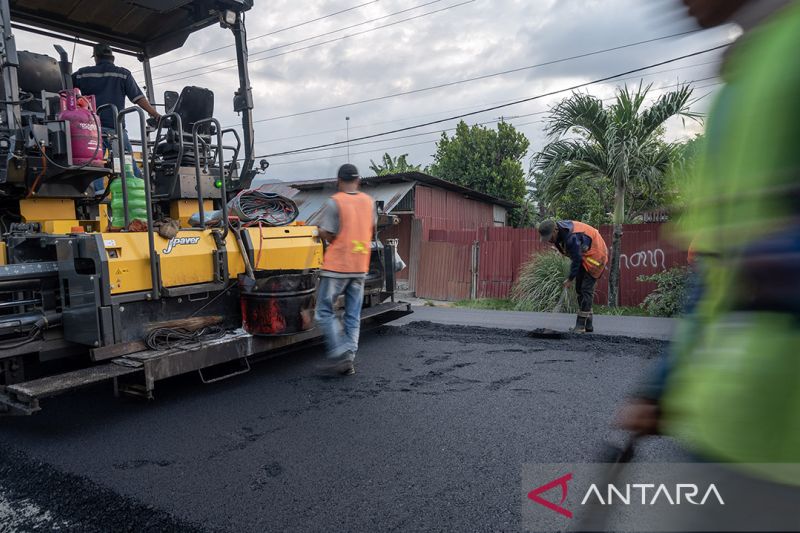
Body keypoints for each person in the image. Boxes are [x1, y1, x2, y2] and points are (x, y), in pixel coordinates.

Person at [616, 0, 800, 527]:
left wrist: (771, 264)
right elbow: (712, 272)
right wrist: (664, 383)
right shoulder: (731, 93)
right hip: (725, 419)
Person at [314, 164, 376, 376]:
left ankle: (340, 351)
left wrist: (321, 232)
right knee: (353, 315)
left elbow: (327, 233)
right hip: (360, 267)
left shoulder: (335, 202)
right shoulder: (369, 202)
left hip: (337, 267)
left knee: (323, 312)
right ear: (358, 180)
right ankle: (349, 357)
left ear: (339, 181)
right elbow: (369, 228)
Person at [72, 43, 160, 188]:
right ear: (112, 57)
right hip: (116, 130)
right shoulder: (123, 74)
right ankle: (141, 194)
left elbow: (65, 89)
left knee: (94, 165)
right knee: (128, 165)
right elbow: (138, 98)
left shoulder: (82, 73)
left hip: (91, 130)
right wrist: (155, 114)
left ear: (96, 58)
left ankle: (96, 200)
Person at [538, 219, 608, 333]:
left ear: (555, 230)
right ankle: (588, 324)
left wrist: (570, 279)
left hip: (596, 257)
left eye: (550, 237)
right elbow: (574, 255)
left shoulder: (572, 238)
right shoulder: (559, 232)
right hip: (584, 255)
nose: (549, 240)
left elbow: (576, 259)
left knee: (586, 290)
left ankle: (580, 325)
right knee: (579, 288)